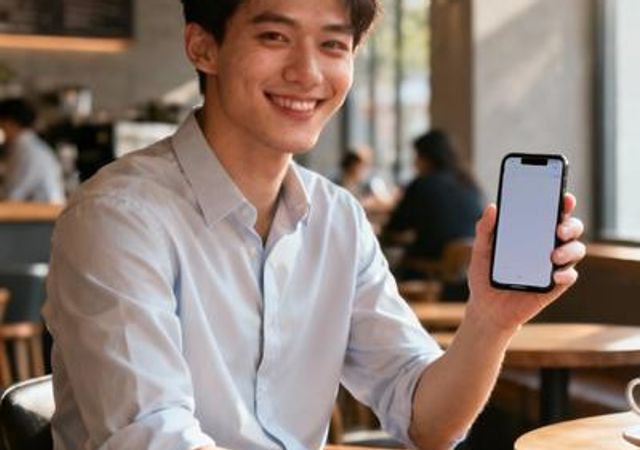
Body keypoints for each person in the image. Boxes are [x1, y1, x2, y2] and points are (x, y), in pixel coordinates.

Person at [42, 1, 585, 450]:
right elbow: (153, 437)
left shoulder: (338, 220)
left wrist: (490, 322)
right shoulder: (117, 219)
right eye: (275, 36)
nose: (307, 73)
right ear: (202, 46)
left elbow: (428, 421)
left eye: (332, 45)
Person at [385, 129, 484, 262]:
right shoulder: (469, 183)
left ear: (427, 158)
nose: (414, 163)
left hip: (430, 264)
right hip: (466, 268)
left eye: (417, 156)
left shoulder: (422, 184)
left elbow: (394, 228)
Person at [0, 98, 65, 203]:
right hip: (40, 214)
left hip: (43, 216)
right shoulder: (27, 146)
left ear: (10, 123)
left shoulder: (27, 150)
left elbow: (12, 195)